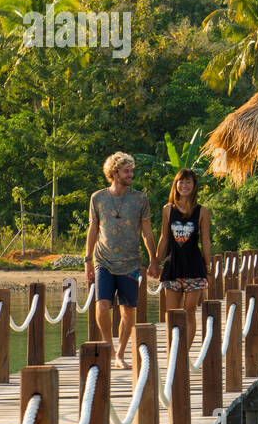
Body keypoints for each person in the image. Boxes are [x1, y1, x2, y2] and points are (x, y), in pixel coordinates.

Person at [84, 152, 160, 371]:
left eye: (131, 171)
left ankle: (120, 353)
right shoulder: (97, 198)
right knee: (102, 306)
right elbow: (93, 229)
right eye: (127, 171)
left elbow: (147, 232)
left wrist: (153, 260)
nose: (131, 175)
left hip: (131, 263)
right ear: (114, 172)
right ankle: (108, 346)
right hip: (103, 261)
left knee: (128, 310)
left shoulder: (140, 199)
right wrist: (87, 260)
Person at [155, 168, 213, 351]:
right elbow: (164, 238)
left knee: (189, 311)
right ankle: (173, 352)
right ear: (176, 184)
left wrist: (208, 267)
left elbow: (205, 241)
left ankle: (183, 353)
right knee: (172, 314)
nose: (184, 185)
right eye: (181, 182)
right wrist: (155, 262)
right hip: (173, 266)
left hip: (194, 267)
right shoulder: (167, 209)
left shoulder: (202, 211)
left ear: (194, 186)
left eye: (188, 182)